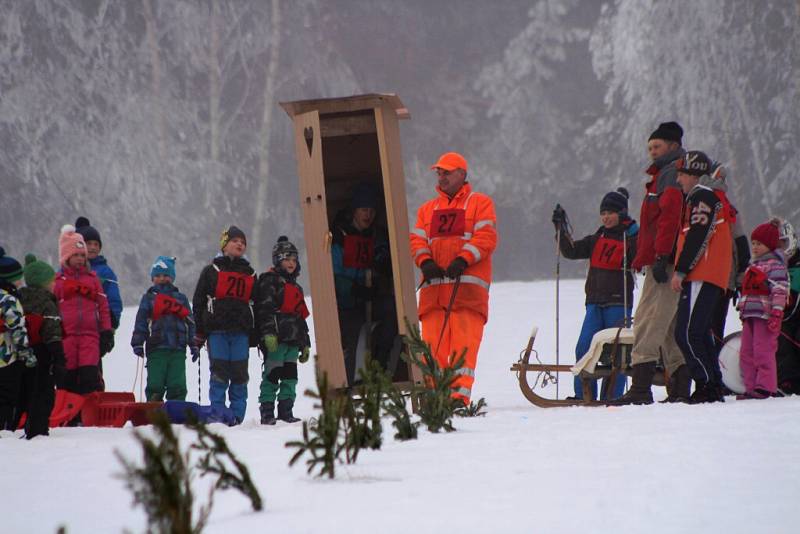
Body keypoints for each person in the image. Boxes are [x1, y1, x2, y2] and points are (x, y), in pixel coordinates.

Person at [409, 152, 497, 405]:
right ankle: (432, 399)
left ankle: (458, 399)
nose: (441, 176)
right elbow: (416, 241)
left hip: (467, 296)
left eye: (446, 172)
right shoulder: (427, 210)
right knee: (431, 353)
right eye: (439, 172)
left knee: (463, 354)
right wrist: (426, 262)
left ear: (462, 174)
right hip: (434, 297)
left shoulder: (479, 203)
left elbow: (486, 238)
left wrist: (463, 259)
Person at [610, 121, 687, 406]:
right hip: (662, 258)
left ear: (673, 146)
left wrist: (661, 255)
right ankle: (679, 387)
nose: (652, 151)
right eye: (650, 147)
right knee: (666, 325)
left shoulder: (670, 174)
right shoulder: (666, 174)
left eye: (657, 146)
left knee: (649, 320)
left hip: (664, 261)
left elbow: (668, 218)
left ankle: (641, 388)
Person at [552, 188, 638, 401]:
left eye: (611, 212)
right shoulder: (597, 237)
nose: (606, 217)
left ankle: (612, 396)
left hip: (618, 302)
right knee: (584, 347)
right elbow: (571, 251)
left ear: (622, 213)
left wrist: (635, 232)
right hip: (595, 303)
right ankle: (583, 394)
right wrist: (561, 229)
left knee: (616, 351)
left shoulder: (630, 238)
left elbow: (641, 255)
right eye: (603, 213)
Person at [670, 150, 733, 403]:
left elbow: (698, 234)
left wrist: (681, 270)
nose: (679, 181)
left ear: (694, 175)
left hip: (702, 273)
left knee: (687, 333)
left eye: (682, 175)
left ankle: (706, 383)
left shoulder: (702, 196)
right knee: (699, 332)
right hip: (708, 273)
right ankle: (713, 383)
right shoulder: (705, 196)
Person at [331, 183, 395, 384]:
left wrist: (382, 265)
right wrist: (355, 289)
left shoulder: (376, 235)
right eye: (364, 210)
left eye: (372, 211)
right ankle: (352, 382)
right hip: (347, 305)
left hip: (370, 301)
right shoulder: (339, 237)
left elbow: (385, 261)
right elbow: (334, 274)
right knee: (352, 339)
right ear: (354, 211)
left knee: (392, 311)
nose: (369, 215)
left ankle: (380, 366)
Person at [192, 226, 256, 424]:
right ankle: (218, 414)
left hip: (241, 333)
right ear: (224, 244)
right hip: (217, 331)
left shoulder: (251, 274)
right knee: (219, 373)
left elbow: (258, 304)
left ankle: (237, 416)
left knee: (239, 375)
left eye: (243, 242)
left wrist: (258, 334)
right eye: (235, 241)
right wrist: (200, 332)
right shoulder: (211, 271)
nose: (240, 244)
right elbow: (199, 302)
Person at [254, 236, 311, 425]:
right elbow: (265, 310)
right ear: (277, 260)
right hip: (276, 339)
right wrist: (268, 333)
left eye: (294, 260)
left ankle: (286, 411)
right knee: (272, 375)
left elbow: (301, 318)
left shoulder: (296, 287)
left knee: (290, 377)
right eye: (287, 259)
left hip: (293, 340)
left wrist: (306, 344)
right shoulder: (269, 281)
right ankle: (267, 412)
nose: (291, 263)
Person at [54, 226, 113, 394]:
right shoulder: (58, 282)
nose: (80, 259)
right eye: (76, 255)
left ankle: (89, 411)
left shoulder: (92, 280)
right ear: (66, 256)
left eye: (82, 255)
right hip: (67, 336)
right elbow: (52, 308)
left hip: (90, 336)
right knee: (67, 376)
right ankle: (71, 413)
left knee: (89, 375)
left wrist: (106, 330)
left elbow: (103, 306)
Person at [131, 256, 198, 402]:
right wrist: (137, 342)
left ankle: (177, 407)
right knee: (156, 382)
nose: (162, 278)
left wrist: (193, 343)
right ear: (152, 278)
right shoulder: (149, 298)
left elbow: (190, 322)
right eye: (158, 275)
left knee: (177, 382)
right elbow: (141, 321)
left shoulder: (181, 299)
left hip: (178, 349)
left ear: (172, 277)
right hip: (156, 347)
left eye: (166, 275)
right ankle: (154, 406)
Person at [701, 165, 750, 359]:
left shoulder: (699, 202)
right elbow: (742, 245)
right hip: (725, 279)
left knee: (702, 329)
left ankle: (709, 376)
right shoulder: (729, 208)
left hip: (708, 277)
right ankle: (714, 373)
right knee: (714, 328)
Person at [737, 220, 789, 398]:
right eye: (753, 243)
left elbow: (780, 290)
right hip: (750, 315)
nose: (755, 247)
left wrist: (776, 312)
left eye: (759, 244)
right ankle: (751, 386)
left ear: (769, 245)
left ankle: (766, 386)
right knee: (746, 352)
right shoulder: (753, 266)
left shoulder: (776, 266)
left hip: (765, 316)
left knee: (763, 350)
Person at [16, 254, 65, 438]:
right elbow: (52, 331)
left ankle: (15, 426)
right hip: (43, 352)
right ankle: (38, 429)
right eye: (51, 281)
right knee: (44, 393)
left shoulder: (20, 298)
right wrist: (59, 357)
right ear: (44, 282)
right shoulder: (47, 301)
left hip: (22, 353)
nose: (54, 284)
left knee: (25, 392)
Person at [0, 248, 36, 431]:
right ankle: (5, 428)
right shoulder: (9, 300)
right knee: (7, 397)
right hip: (7, 358)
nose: (21, 282)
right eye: (18, 278)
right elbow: (17, 330)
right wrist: (26, 353)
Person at [75, 217, 122, 329]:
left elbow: (113, 299)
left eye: (96, 244)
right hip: (72, 328)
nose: (93, 247)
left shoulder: (105, 272)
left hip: (98, 328)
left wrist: (113, 323)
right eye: (89, 243)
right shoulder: (68, 270)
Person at [775, 219, 800, 393]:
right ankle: (788, 380)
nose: (782, 247)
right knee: (782, 334)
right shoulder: (772, 266)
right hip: (784, 315)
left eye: (784, 242)